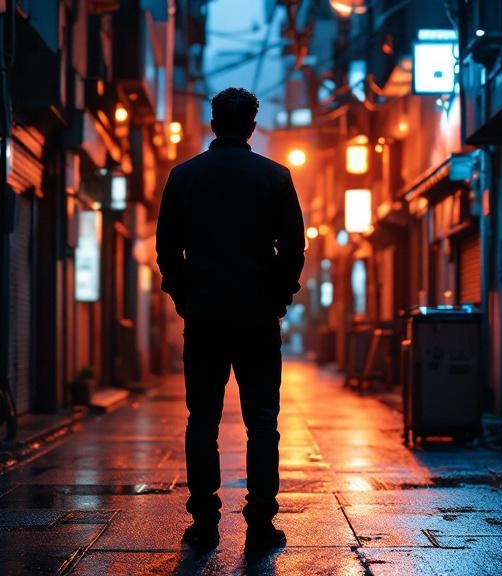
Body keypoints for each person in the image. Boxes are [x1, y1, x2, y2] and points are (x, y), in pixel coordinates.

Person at [155, 87, 305, 553]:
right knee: (262, 420)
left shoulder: (184, 177)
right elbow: (294, 248)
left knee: (202, 419)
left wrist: (185, 297)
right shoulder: (274, 177)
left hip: (205, 317)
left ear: (213, 123)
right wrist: (278, 297)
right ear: (253, 126)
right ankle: (260, 521)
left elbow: (167, 250)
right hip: (258, 316)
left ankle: (204, 522)